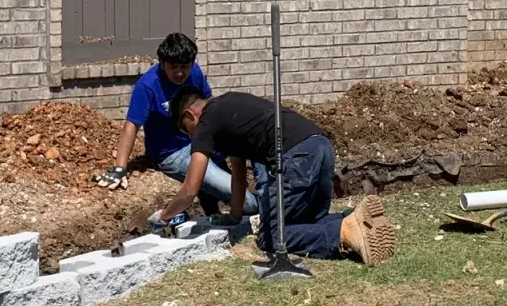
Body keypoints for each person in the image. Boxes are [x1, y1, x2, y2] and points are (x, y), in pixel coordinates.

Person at [157, 87, 396, 264]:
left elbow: (190, 188)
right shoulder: (229, 106)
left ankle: (343, 232)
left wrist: (164, 217)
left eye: (184, 129)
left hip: (296, 157)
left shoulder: (206, 123)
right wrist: (234, 216)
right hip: (321, 147)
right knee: (305, 222)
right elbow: (238, 175)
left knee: (272, 238)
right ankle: (359, 220)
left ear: (190, 115)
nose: (189, 136)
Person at [94, 32, 254, 216]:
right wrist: (120, 168)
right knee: (246, 202)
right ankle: (252, 212)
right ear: (162, 63)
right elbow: (131, 126)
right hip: (174, 153)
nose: (179, 73)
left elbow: (209, 104)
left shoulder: (195, 73)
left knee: (251, 149)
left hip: (201, 141)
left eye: (185, 67)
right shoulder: (148, 86)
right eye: (173, 67)